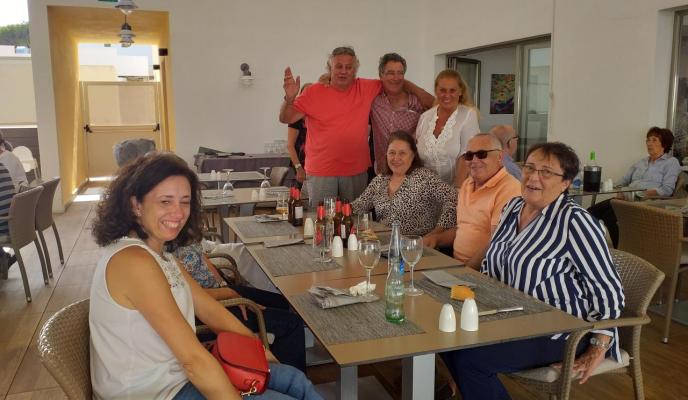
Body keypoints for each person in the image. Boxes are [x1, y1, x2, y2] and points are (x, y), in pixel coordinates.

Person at [89, 152, 321, 400]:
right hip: (153, 392)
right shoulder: (133, 261)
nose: (178, 212)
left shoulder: (160, 253)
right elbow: (193, 360)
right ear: (136, 205)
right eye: (165, 201)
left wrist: (263, 356)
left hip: (175, 376)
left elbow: (211, 311)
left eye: (185, 201)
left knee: (295, 380)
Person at [440, 142, 625, 400]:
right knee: (444, 337)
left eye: (546, 172)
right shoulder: (513, 208)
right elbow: (493, 262)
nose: (533, 177)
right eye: (529, 168)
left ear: (566, 183)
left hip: (558, 330)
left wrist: (599, 345)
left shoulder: (575, 222)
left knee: (470, 360)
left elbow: (609, 289)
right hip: (509, 316)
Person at [280, 46, 431, 206]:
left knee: (356, 217)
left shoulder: (366, 87)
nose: (343, 71)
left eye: (349, 67)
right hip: (321, 171)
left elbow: (394, 81)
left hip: (356, 171)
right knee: (322, 217)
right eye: (339, 66)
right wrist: (289, 99)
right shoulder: (313, 91)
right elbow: (286, 118)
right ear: (330, 68)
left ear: (355, 70)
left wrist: (420, 93)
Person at [174, 242, 306, 371]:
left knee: (283, 303)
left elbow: (202, 257)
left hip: (217, 291)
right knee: (291, 323)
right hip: (201, 308)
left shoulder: (175, 241)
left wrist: (223, 284)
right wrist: (231, 294)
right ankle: (288, 378)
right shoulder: (165, 255)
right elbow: (189, 295)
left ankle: (280, 362)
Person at [423, 133, 521, 265]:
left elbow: (495, 242)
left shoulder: (509, 188)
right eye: (469, 155)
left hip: (484, 270)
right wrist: (436, 239)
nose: (474, 160)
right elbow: (463, 229)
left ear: (499, 156)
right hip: (456, 264)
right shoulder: (468, 183)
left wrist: (466, 271)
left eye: (482, 154)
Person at [351, 131, 456, 237]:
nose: (396, 158)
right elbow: (357, 206)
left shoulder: (425, 177)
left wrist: (437, 233)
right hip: (384, 242)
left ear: (413, 155)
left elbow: (453, 200)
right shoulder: (380, 180)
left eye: (402, 153)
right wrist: (341, 209)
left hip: (417, 244)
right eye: (392, 153)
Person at [589, 127, 681, 247]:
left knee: (609, 217)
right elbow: (624, 180)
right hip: (625, 199)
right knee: (589, 213)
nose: (649, 143)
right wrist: (610, 187)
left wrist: (638, 194)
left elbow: (667, 190)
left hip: (645, 202)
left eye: (654, 140)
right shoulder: (641, 162)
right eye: (648, 140)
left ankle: (621, 250)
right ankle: (592, 247)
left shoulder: (671, 162)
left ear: (664, 143)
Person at [370, 53, 434, 174]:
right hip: (382, 172)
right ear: (381, 75)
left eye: (400, 73)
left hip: (410, 171)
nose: (396, 78)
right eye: (391, 73)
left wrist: (411, 86)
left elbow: (439, 106)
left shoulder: (416, 102)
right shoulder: (374, 100)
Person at [415, 69, 479, 188]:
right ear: (436, 91)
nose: (447, 95)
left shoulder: (468, 116)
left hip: (456, 187)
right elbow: (416, 154)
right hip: (424, 189)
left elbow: (466, 156)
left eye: (452, 90)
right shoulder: (425, 117)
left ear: (460, 91)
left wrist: (456, 192)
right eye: (442, 90)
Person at [286, 83, 312, 188]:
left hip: (318, 164)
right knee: (303, 194)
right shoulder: (296, 117)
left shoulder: (319, 116)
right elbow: (290, 145)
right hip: (301, 164)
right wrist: (298, 168)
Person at [0, 162, 16, 279]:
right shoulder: (2, 165)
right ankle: (3, 258)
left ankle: (2, 258)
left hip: (3, 229)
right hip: (13, 224)